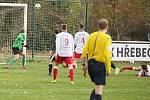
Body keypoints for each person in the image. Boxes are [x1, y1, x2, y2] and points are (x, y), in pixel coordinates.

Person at [82, 19, 112, 100]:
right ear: (107, 27)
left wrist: (84, 64)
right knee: (99, 91)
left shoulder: (91, 35)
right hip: (99, 65)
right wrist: (108, 70)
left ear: (99, 26)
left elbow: (84, 50)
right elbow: (107, 54)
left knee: (97, 87)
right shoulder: (107, 38)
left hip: (90, 64)